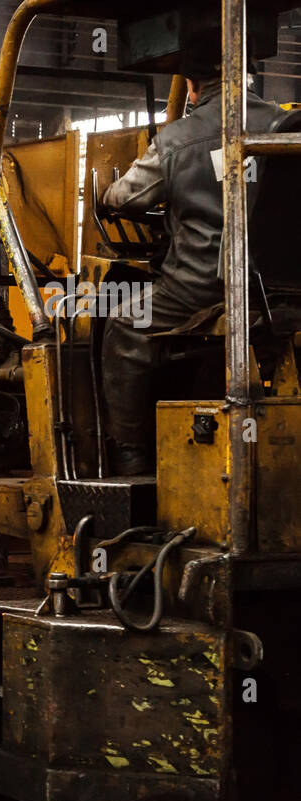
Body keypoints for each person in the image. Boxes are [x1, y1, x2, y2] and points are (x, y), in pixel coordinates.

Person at [98, 33, 284, 475]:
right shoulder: (283, 125)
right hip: (278, 290)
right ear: (249, 75)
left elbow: (125, 198)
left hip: (202, 287)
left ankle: (131, 456)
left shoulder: (178, 138)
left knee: (124, 325)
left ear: (194, 86)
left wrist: (105, 192)